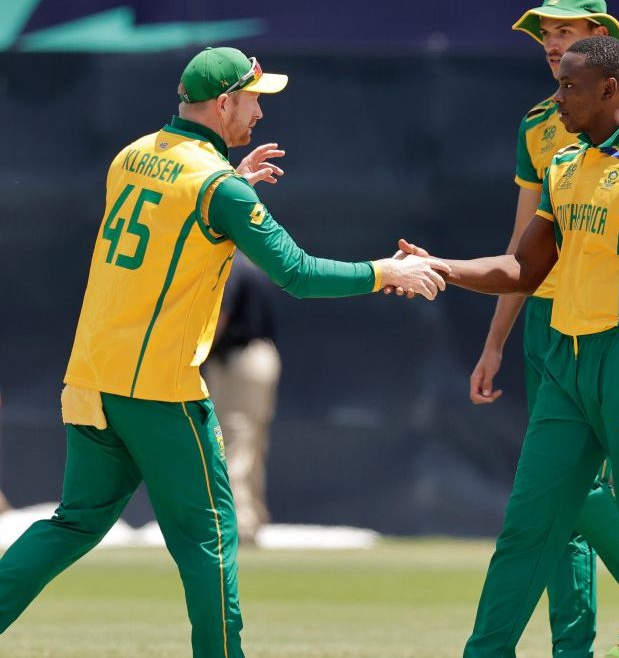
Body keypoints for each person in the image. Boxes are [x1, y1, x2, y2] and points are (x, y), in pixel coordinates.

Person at [0, 46, 448, 658]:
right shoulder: (218, 188)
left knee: (74, 523)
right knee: (210, 538)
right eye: (254, 100)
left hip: (94, 375)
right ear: (224, 103)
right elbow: (297, 273)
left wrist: (231, 182)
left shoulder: (132, 155)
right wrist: (385, 271)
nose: (260, 113)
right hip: (160, 389)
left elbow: (172, 212)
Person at [406, 35, 619, 658]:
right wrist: (441, 266)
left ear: (611, 90)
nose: (559, 96)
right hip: (566, 366)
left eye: (570, 86)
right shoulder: (564, 165)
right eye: (559, 83)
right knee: (528, 526)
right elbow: (522, 269)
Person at [471, 0, 619, 655]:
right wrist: (495, 340)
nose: (552, 43)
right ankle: (574, 644)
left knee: (613, 496)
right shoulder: (538, 124)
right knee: (552, 496)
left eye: (566, 30)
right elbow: (521, 247)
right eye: (545, 33)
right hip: (551, 320)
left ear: (601, 37)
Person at [204, 254, 281, 545]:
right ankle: (253, 519)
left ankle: (239, 524)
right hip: (262, 357)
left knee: (232, 441)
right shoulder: (255, 265)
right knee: (252, 442)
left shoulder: (230, 265)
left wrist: (196, 354)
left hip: (238, 362)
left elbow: (221, 315)